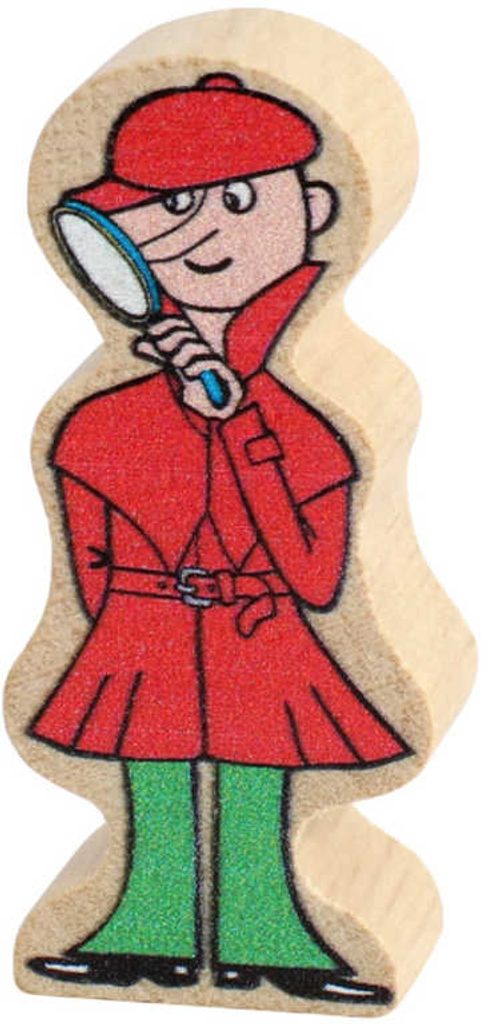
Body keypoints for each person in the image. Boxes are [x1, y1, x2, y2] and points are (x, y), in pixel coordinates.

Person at [28, 73, 410, 1004]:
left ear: (315, 212)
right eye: (169, 209)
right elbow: (87, 564)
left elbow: (317, 576)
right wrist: (131, 621)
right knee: (152, 784)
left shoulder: (312, 424)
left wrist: (238, 424)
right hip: (146, 631)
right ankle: (143, 928)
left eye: (239, 200)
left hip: (259, 630)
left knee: (256, 786)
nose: (202, 234)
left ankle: (269, 935)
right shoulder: (96, 424)